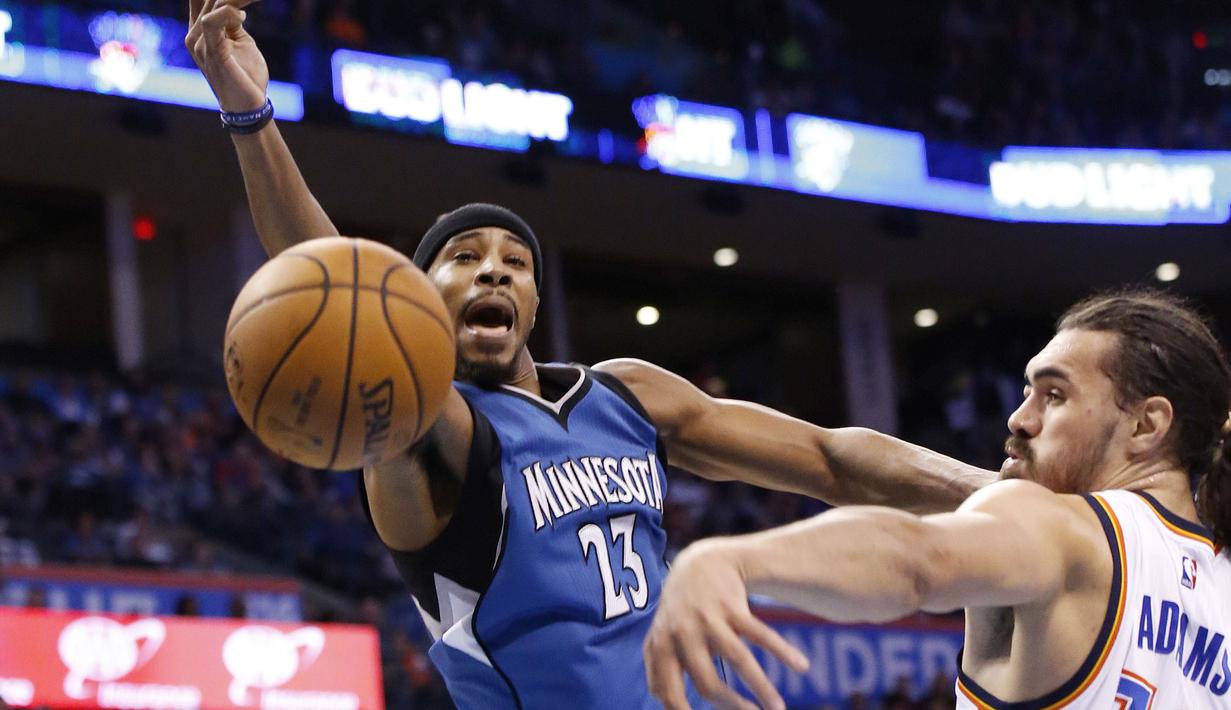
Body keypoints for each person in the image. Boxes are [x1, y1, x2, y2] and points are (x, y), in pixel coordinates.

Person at [184, 4, 994, 708]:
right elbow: (337, 300)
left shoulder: (628, 396)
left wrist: (996, 493)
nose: (494, 266)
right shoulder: (439, 436)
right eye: (462, 257)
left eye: (514, 260)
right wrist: (251, 117)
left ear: (535, 303)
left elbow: (826, 457)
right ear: (414, 308)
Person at [646, 289, 1231, 710]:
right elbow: (845, 469)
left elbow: (916, 559)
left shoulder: (1066, 529)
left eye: (1053, 395)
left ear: (1148, 425)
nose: (1019, 418)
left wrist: (733, 560)